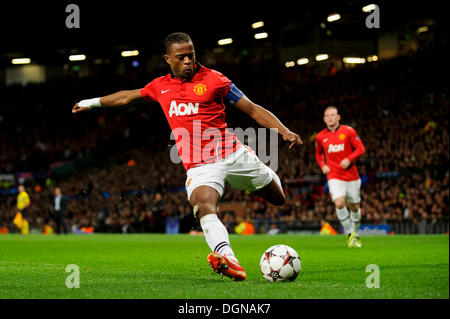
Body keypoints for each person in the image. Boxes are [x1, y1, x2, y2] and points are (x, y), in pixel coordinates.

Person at [72, 32, 302, 281]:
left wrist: (284, 131)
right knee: (203, 206)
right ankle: (229, 260)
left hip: (233, 154)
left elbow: (252, 109)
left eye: (191, 56)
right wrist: (92, 102)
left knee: (278, 199)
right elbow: (127, 96)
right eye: (181, 58)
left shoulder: (216, 80)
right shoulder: (159, 86)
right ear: (168, 59)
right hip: (200, 165)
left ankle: (262, 172)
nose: (188, 62)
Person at [315, 106, 365, 247]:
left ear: (338, 117)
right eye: (327, 116)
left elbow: (361, 149)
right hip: (334, 175)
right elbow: (318, 154)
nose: (330, 118)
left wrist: (349, 159)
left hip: (351, 175)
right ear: (324, 119)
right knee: (339, 202)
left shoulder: (348, 131)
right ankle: (349, 233)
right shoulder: (320, 137)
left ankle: (356, 233)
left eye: (333, 115)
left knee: (354, 206)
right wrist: (323, 165)